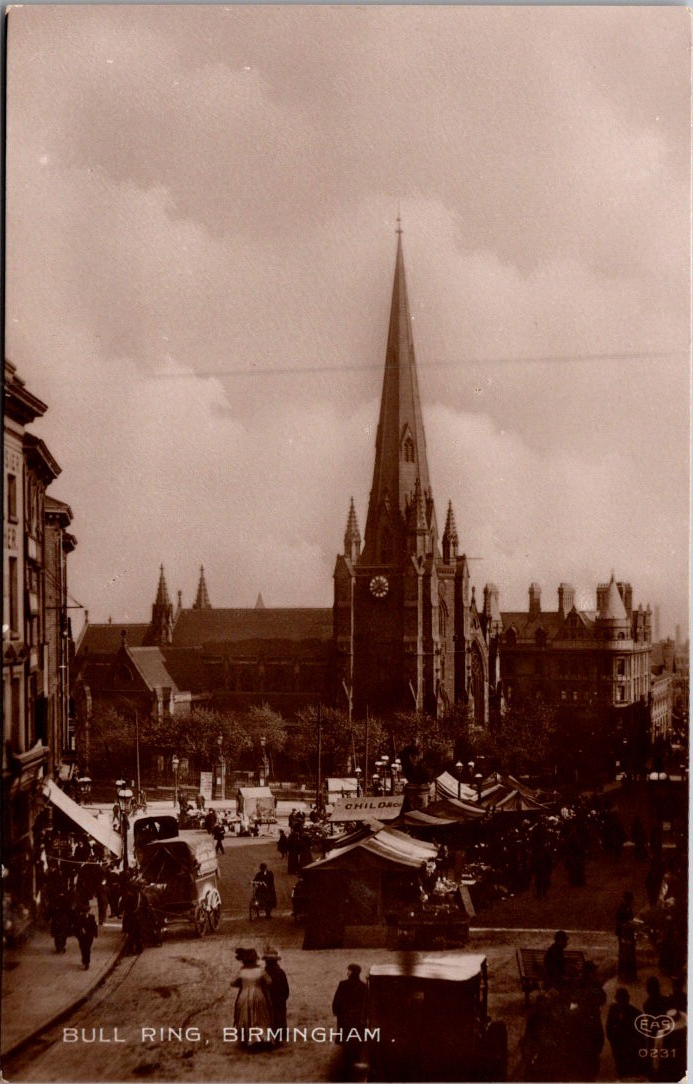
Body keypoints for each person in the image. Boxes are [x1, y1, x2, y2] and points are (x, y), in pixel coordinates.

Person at [232, 947, 272, 1047]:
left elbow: (232, 983)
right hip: (258, 994)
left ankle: (247, 1039)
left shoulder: (241, 972)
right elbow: (269, 981)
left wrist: (243, 984)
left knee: (245, 1015)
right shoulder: (260, 970)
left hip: (244, 995)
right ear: (255, 959)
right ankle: (262, 1038)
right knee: (260, 1015)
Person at [332, 963, 368, 1067]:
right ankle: (355, 1058)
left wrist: (336, 1011)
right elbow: (366, 1004)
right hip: (357, 1017)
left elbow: (337, 999)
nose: (347, 972)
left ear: (352, 972)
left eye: (349, 970)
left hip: (345, 1016)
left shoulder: (343, 984)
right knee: (355, 1038)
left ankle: (346, 1060)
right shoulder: (363, 987)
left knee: (345, 1038)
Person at [606, 988, 641, 1079]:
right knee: (620, 1067)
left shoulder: (635, 1013)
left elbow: (638, 1034)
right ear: (617, 999)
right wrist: (612, 1040)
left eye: (623, 999)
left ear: (627, 999)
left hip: (628, 1046)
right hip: (617, 1044)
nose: (621, 1001)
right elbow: (608, 1026)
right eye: (619, 999)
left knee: (629, 1071)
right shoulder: (613, 1009)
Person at [262, 946, 289, 1032]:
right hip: (280, 998)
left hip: (268, 998)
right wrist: (284, 997)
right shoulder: (280, 972)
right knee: (280, 1016)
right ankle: (280, 1034)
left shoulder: (263, 973)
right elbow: (286, 988)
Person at [615, 891, 637, 982]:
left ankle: (625, 975)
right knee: (627, 954)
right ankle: (627, 975)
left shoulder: (624, 908)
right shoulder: (625, 909)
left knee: (624, 954)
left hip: (624, 934)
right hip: (626, 935)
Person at [73, 899, 98, 970]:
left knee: (87, 949)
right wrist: (78, 933)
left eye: (86, 912)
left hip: (89, 936)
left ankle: (87, 962)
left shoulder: (91, 917)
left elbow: (94, 926)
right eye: (84, 912)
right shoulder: (79, 918)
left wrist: (95, 934)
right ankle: (84, 959)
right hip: (81, 936)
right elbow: (76, 927)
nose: (85, 913)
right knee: (83, 948)